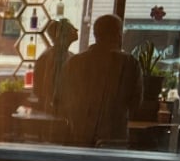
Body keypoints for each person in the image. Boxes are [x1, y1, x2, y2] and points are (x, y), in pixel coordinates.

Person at [57, 13, 142, 147]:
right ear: (118, 34)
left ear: (96, 34)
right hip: (114, 140)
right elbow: (135, 104)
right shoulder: (129, 63)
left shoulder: (75, 62)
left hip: (78, 137)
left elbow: (60, 99)